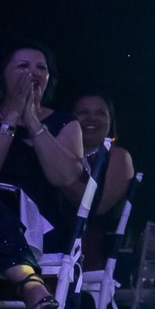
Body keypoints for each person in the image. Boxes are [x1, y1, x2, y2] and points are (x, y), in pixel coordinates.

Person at [0, 45, 84, 309]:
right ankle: (30, 284)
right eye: (22, 66)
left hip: (41, 229)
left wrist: (31, 120)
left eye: (40, 67)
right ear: (3, 75)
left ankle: (29, 284)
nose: (33, 73)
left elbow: (64, 177)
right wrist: (11, 119)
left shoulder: (64, 123)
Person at [64, 92, 137, 270]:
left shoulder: (118, 156)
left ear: (110, 121)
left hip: (92, 253)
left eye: (100, 113)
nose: (91, 118)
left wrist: (58, 173)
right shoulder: (60, 152)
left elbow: (99, 206)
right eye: (83, 113)